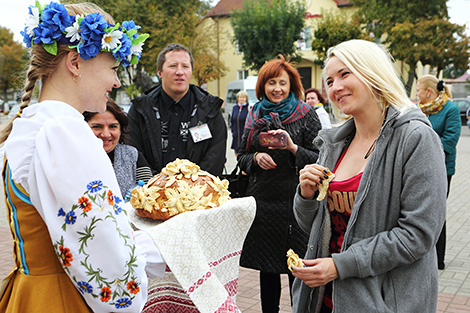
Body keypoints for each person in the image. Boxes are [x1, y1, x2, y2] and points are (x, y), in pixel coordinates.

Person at [0, 2, 166, 312]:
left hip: (32, 294)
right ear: (75, 62)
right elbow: (111, 266)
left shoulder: (32, 125)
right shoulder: (64, 133)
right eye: (112, 68)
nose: (116, 82)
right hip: (61, 300)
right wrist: (170, 242)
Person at [291, 39, 447, 313]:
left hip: (383, 303)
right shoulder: (334, 143)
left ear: (371, 71)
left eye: (344, 74)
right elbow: (312, 227)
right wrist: (305, 196)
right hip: (325, 300)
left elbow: (418, 235)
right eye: (329, 80)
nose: (335, 87)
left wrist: (341, 266)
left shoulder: (416, 138)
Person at [237, 54, 322, 313]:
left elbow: (321, 157)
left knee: (297, 268)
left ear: (291, 85)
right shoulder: (254, 113)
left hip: (298, 201)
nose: (277, 89)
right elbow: (241, 155)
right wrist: (255, 158)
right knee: (268, 269)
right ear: (263, 85)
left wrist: (293, 147)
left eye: (282, 83)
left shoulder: (305, 113)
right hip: (264, 203)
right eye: (272, 83)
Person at [127, 43, 227, 176]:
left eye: (185, 66)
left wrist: (192, 186)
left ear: (191, 71)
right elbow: (134, 153)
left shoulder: (210, 109)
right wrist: (159, 185)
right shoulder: (140, 110)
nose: (179, 72)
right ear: (159, 72)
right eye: (173, 66)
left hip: (198, 193)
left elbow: (216, 155)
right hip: (152, 191)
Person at [416, 75, 461, 270]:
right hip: (417, 168)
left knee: (436, 212)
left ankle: (438, 260)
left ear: (429, 92)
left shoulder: (450, 109)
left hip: (442, 168)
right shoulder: (419, 110)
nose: (416, 94)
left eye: (418, 90)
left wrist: (423, 151)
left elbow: (450, 139)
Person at [83, 99, 153, 198]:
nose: (106, 134)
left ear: (121, 129)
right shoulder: (74, 159)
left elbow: (151, 193)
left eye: (113, 126)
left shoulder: (133, 155)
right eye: (97, 127)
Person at [230, 90, 250, 155]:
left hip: (245, 136)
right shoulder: (235, 108)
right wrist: (233, 131)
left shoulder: (249, 108)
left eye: (243, 97)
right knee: (237, 153)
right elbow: (232, 120)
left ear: (246, 98)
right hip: (236, 136)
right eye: (240, 97)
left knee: (244, 154)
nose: (241, 99)